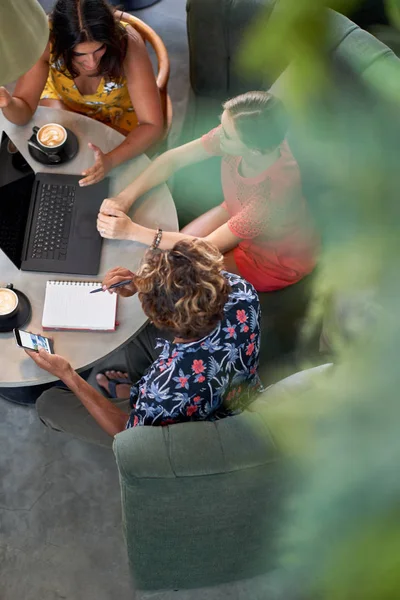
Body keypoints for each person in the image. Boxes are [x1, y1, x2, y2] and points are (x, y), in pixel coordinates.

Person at [28, 239, 262, 447]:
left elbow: (126, 432)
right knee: (138, 337)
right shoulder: (241, 291)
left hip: (197, 432)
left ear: (165, 318)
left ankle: (138, 401)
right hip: (233, 389)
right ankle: (135, 392)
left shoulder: (167, 386)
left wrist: (68, 373)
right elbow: (191, 287)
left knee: (49, 404)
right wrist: (145, 284)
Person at [96, 91, 319, 292]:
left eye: (227, 135)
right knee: (165, 254)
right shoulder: (246, 138)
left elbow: (204, 248)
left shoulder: (269, 197)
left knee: (176, 273)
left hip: (270, 258)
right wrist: (124, 198)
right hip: (236, 210)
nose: (218, 135)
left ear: (254, 150)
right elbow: (173, 159)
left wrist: (131, 231)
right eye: (221, 125)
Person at [0, 0, 163, 187]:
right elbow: (23, 113)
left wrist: (110, 160)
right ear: (60, 45)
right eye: (79, 55)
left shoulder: (127, 42)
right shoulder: (46, 38)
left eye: (99, 49)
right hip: (65, 105)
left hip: (116, 117)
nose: (92, 63)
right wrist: (9, 103)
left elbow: (152, 125)